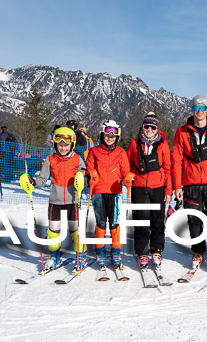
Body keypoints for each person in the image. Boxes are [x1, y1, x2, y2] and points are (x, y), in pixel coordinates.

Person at [172, 94, 207, 272]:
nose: (199, 111)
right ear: (192, 110)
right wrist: (177, 186)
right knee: (194, 220)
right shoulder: (182, 132)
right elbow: (177, 160)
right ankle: (198, 251)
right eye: (196, 108)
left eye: (202, 107)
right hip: (191, 183)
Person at [24, 126, 87, 272]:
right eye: (60, 144)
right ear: (55, 144)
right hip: (55, 202)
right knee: (53, 232)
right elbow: (42, 178)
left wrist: (83, 177)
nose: (63, 147)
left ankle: (80, 255)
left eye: (66, 145)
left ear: (72, 144)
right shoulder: (50, 159)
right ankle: (55, 256)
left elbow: (83, 174)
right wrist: (33, 182)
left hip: (73, 201)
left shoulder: (77, 159)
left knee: (76, 231)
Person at [126, 112, 172, 271]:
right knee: (141, 220)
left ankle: (156, 251)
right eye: (147, 126)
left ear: (157, 128)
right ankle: (142, 252)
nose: (150, 130)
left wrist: (169, 191)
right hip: (139, 187)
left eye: (153, 127)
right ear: (143, 127)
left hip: (158, 187)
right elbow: (129, 165)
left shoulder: (163, 145)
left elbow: (168, 169)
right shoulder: (134, 144)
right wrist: (128, 178)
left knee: (157, 220)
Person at [86, 119, 134, 269]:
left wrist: (127, 177)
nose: (110, 137)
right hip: (98, 191)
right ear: (102, 135)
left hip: (115, 192)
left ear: (117, 137)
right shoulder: (94, 151)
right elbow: (88, 168)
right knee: (101, 223)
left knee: (114, 223)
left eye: (113, 136)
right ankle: (100, 252)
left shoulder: (120, 152)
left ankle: (115, 251)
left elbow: (125, 170)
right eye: (107, 134)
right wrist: (91, 173)